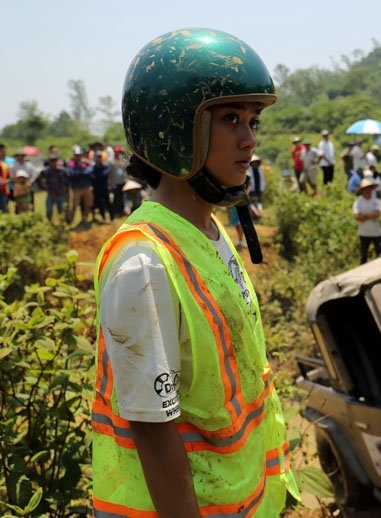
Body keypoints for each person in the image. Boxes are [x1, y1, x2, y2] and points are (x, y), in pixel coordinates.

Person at [92, 28, 298, 516]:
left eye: (253, 121)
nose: (249, 139)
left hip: (243, 499)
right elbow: (152, 424)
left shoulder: (209, 231)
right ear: (172, 130)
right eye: (230, 119)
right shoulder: (143, 262)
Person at [353, 177, 381, 264]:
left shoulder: (376, 201)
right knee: (363, 256)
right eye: (365, 189)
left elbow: (377, 214)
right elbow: (357, 216)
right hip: (364, 233)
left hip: (376, 232)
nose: (368, 190)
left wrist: (365, 215)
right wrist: (370, 215)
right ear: (362, 190)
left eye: (369, 188)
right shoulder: (358, 202)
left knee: (380, 253)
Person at [37, 156, 70, 221]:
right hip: (51, 194)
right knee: (49, 210)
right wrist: (44, 187)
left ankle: (62, 223)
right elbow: (39, 180)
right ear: (49, 162)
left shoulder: (62, 171)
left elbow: (68, 181)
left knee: (61, 210)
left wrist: (65, 189)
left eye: (55, 161)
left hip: (61, 194)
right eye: (52, 161)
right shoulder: (46, 171)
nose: (53, 163)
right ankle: (49, 224)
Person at [66, 146, 94, 225]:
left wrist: (79, 173)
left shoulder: (85, 163)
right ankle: (71, 221)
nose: (78, 156)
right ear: (74, 155)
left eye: (79, 155)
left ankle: (84, 219)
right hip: (76, 188)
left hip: (87, 187)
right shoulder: (71, 164)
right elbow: (71, 174)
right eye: (76, 155)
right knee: (74, 206)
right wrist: (83, 173)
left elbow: (90, 170)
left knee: (88, 204)